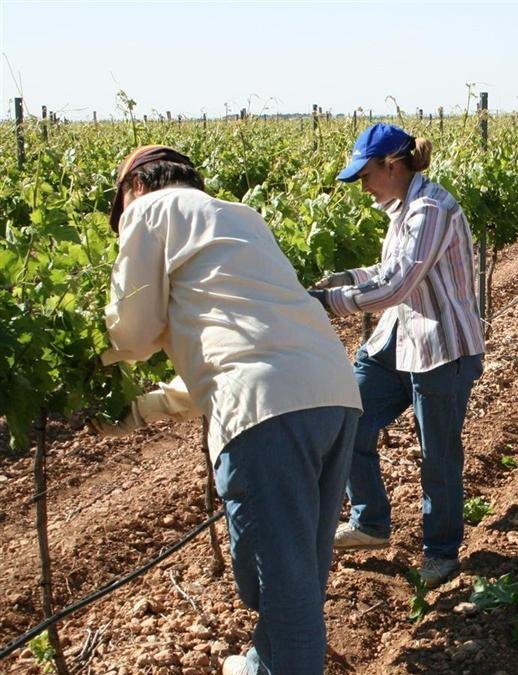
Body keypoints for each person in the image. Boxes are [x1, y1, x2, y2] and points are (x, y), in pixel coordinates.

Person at [98, 145, 362, 675]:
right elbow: (233, 350)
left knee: (281, 590)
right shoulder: (239, 217)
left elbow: (132, 331)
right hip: (332, 394)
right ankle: (261, 665)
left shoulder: (148, 212)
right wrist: (147, 408)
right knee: (295, 578)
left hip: (266, 413)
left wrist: (87, 361)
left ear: (135, 188)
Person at [308, 123, 485, 587]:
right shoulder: (402, 208)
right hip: (397, 339)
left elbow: (396, 285)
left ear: (392, 165)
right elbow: (387, 269)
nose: (361, 186)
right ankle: (370, 522)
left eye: (365, 175)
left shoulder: (430, 209)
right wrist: (342, 278)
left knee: (437, 455)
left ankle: (441, 553)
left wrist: (330, 304)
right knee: (347, 419)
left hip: (441, 348)